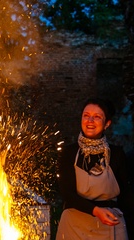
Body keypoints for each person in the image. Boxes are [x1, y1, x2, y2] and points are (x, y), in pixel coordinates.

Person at [56, 97, 134, 240]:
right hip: (74, 226)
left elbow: (126, 197)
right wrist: (95, 211)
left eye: (97, 117)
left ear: (107, 124)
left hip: (111, 226)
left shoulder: (117, 154)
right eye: (86, 116)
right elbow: (67, 193)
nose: (90, 121)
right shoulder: (69, 153)